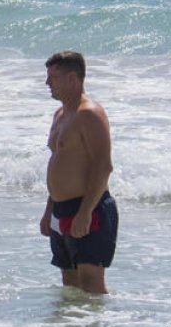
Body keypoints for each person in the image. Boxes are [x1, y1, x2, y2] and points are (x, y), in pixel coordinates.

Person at [39, 51, 118, 294]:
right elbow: (60, 164)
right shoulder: (60, 115)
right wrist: (49, 211)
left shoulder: (90, 114)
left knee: (91, 283)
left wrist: (85, 212)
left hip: (89, 208)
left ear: (72, 79)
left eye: (53, 77)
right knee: (70, 283)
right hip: (61, 209)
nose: (47, 83)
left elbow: (103, 166)